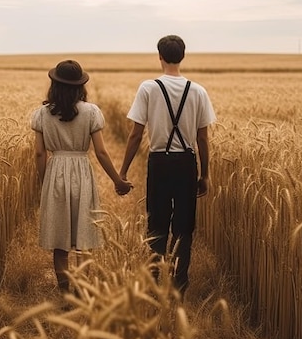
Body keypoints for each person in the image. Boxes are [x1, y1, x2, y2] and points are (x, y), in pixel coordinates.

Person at [119, 35, 217, 297]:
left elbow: (136, 135)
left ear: (159, 56)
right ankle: (179, 284)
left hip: (159, 161)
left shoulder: (148, 88)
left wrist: (123, 171)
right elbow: (203, 139)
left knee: (157, 223)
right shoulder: (197, 91)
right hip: (186, 162)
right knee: (184, 227)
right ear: (183, 56)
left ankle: (152, 283)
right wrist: (204, 174)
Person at [31, 60, 132, 295]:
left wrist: (44, 182)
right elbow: (101, 152)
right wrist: (117, 180)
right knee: (84, 234)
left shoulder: (41, 114)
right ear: (80, 87)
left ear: (54, 85)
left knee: (59, 238)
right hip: (82, 171)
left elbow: (38, 153)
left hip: (55, 170)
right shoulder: (91, 112)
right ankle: (82, 292)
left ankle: (65, 293)